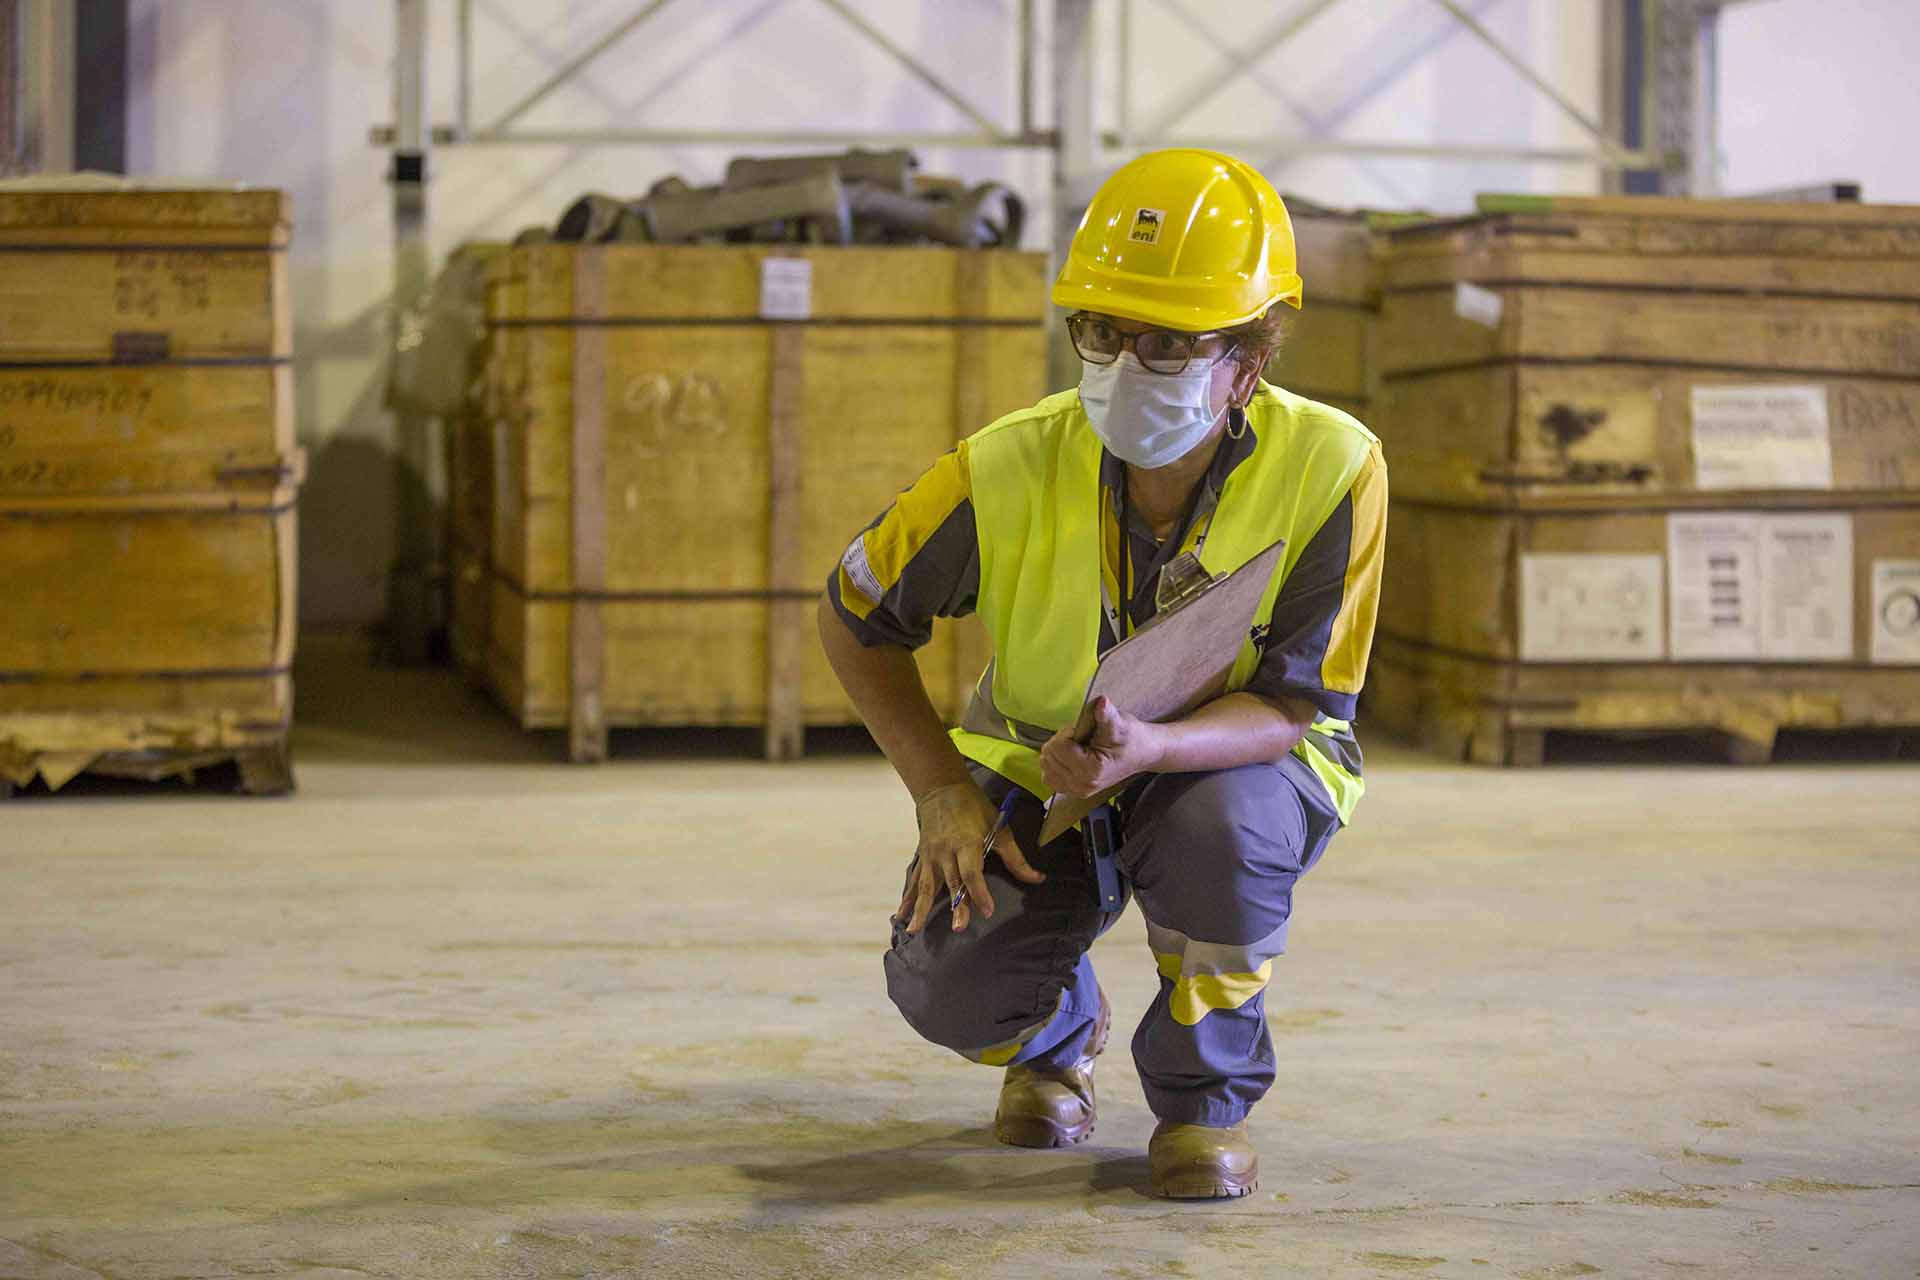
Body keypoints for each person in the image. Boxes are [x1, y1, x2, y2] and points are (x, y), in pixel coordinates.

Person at [818, 148, 1386, 1200]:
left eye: (1169, 343)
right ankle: (1059, 1033)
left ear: (1250, 358)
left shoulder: (1333, 465)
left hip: (1235, 761)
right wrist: (941, 791)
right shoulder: (1005, 463)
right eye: (1103, 332)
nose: (1128, 366)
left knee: (1221, 833)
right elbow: (855, 616)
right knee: (946, 984)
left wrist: (1154, 748)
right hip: (1041, 769)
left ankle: (1201, 1104)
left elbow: (1295, 702)